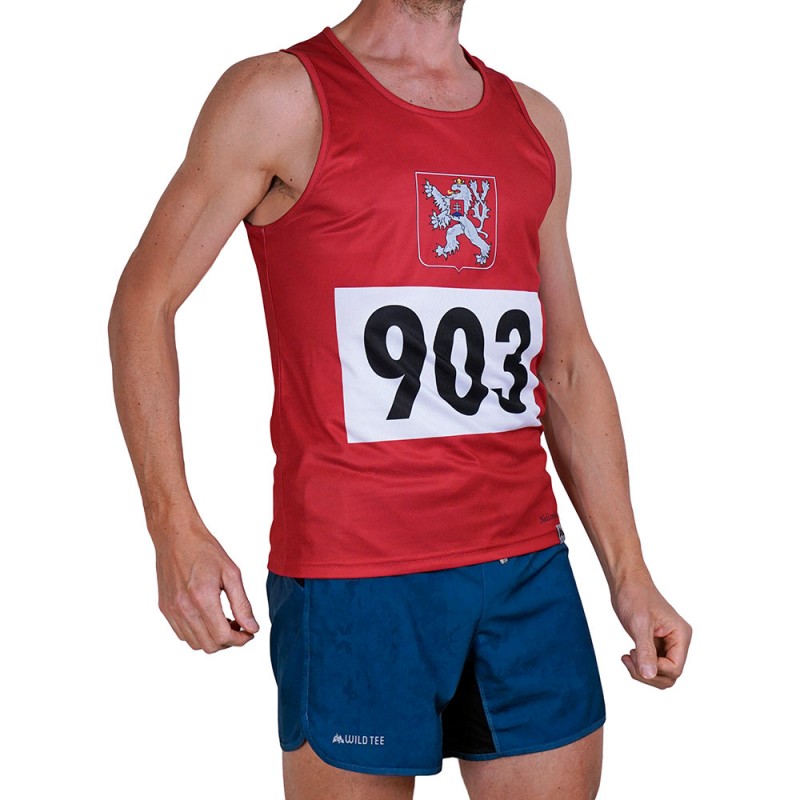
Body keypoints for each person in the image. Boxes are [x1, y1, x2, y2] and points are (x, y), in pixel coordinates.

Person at [108, 1, 692, 797]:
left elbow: (564, 366)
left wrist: (631, 574)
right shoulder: (281, 97)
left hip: (526, 569)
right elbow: (143, 303)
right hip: (355, 576)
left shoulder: (536, 123)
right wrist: (173, 526)